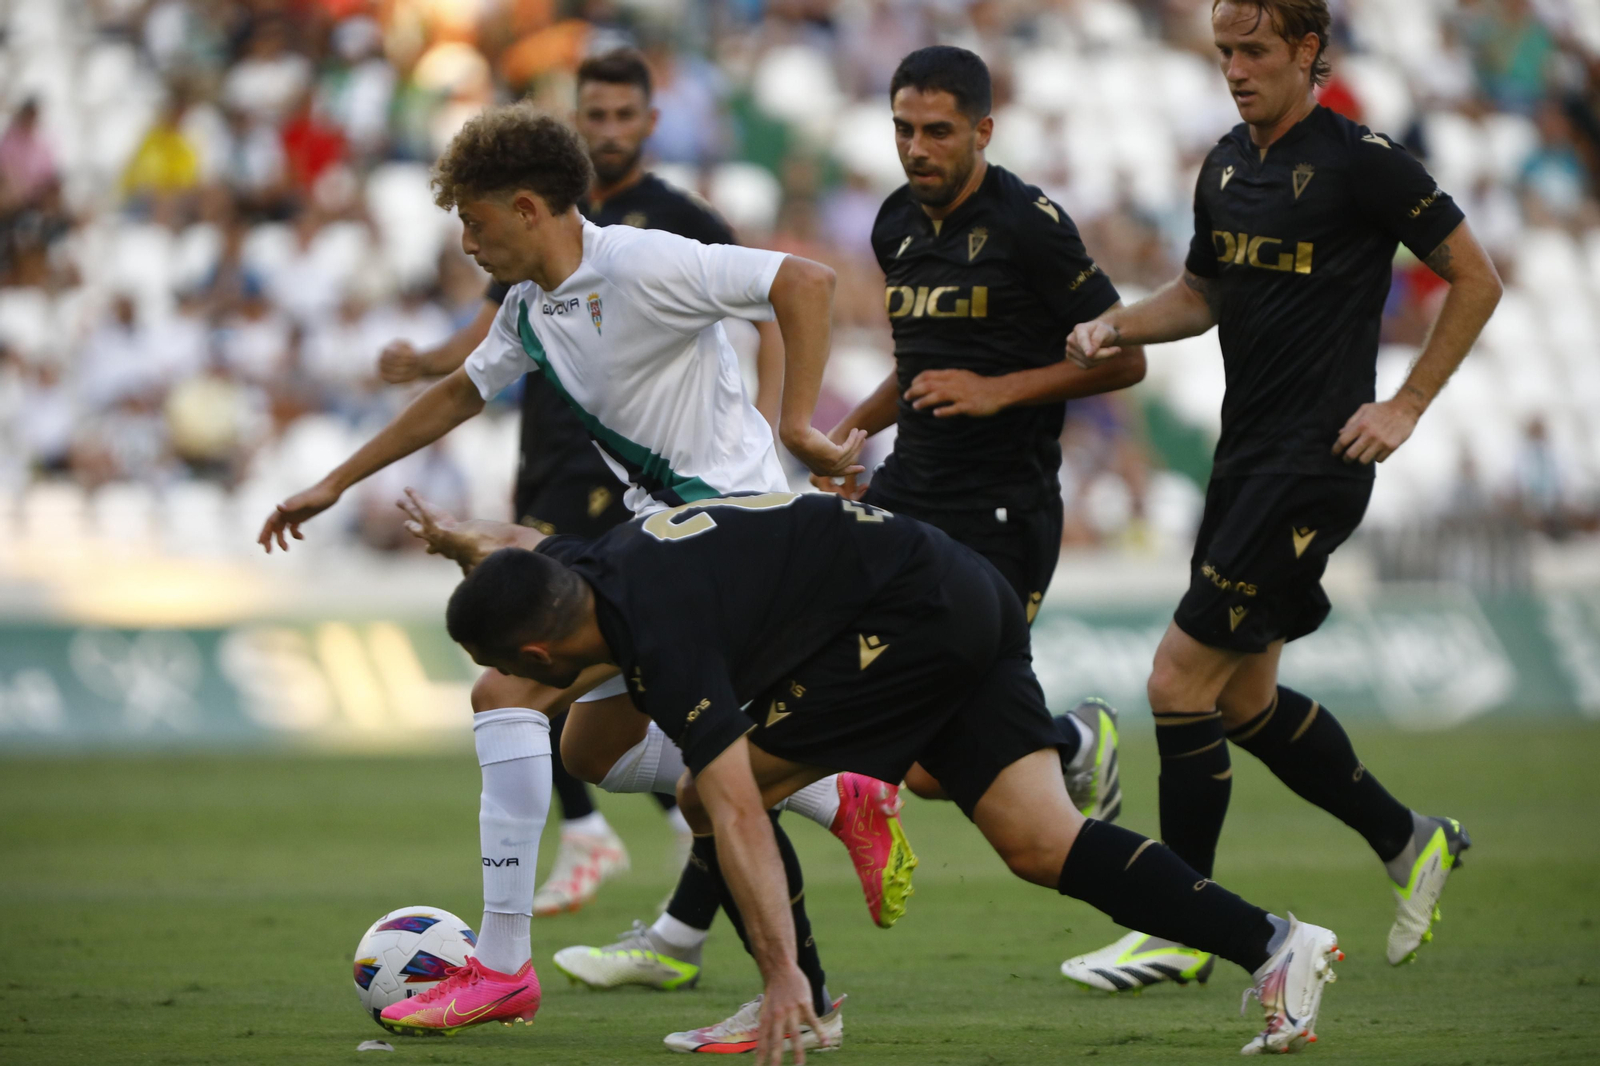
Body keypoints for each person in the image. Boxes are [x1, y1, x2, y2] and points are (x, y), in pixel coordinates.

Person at [256, 104, 912, 1037]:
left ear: (527, 208)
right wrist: (331, 481)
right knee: (591, 753)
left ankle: (503, 964)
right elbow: (456, 392)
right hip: (669, 539)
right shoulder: (531, 309)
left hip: (732, 535)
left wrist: (798, 426)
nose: (469, 245)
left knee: (504, 693)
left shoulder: (643, 262)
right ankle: (830, 795)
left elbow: (802, 281)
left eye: (475, 223)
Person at [402, 488, 1347, 1060]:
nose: (517, 686)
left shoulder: (664, 637)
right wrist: (461, 542)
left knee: (706, 793)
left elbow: (731, 812)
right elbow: (521, 548)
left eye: (518, 668)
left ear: (537, 645)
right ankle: (1274, 942)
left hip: (906, 626)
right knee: (1039, 842)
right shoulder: (590, 568)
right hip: (950, 586)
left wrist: (775, 972)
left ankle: (801, 1003)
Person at [1058, 0, 1502, 991]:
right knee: (1245, 698)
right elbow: (1202, 296)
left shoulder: (1364, 161)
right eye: (1223, 51)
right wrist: (1114, 326)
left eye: (1254, 50)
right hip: (1243, 456)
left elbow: (1475, 277)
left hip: (1312, 462)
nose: (1234, 68)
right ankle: (1408, 837)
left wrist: (1406, 405)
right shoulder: (1224, 162)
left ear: (1307, 51)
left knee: (1177, 683)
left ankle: (1180, 926)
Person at [373, 47, 785, 924]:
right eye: (590, 115)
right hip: (575, 465)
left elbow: (784, 293)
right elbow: (475, 367)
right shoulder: (529, 276)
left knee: (542, 677)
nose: (605, 131)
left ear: (648, 121)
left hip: (697, 508)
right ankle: (669, 869)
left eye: (620, 116)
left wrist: (793, 428)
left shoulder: (664, 229)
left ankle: (718, 943)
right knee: (577, 705)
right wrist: (422, 371)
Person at [811, 45, 1148, 820]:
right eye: (903, 129)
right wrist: (847, 436)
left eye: (937, 131)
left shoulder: (1029, 226)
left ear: (983, 131)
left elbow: (1124, 361)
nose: (916, 149)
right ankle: (1070, 745)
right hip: (909, 494)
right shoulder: (894, 223)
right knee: (884, 727)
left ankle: (1071, 745)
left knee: (937, 763)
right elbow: (919, 369)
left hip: (1003, 513)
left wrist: (1001, 391)